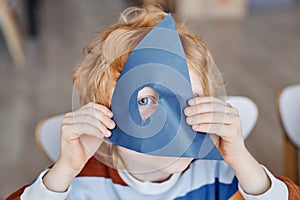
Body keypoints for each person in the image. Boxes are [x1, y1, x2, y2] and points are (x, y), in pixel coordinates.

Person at [7, 5, 299, 200]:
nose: (170, 118)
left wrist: (241, 160)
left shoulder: (223, 174)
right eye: (145, 99)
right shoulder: (82, 182)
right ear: (105, 121)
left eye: (189, 97)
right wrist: (64, 170)